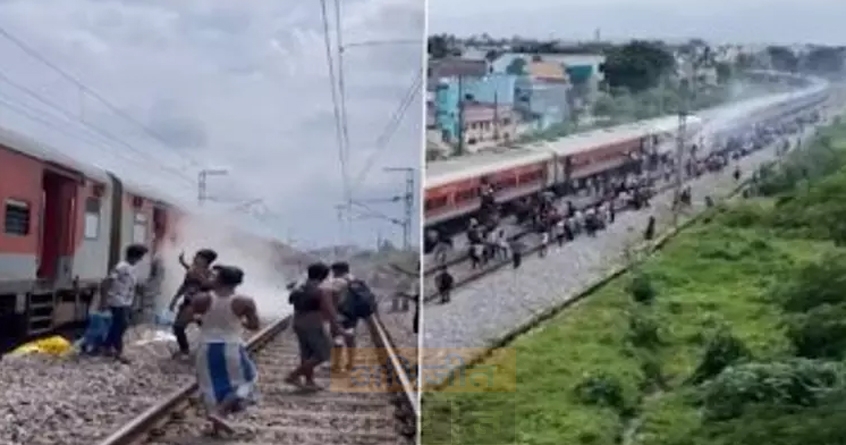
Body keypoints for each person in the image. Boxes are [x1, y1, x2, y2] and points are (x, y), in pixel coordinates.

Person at [191, 265, 260, 436]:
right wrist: (240, 322)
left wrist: (203, 321)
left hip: (206, 346)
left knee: (209, 386)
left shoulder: (201, 299)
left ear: (219, 279)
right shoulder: (245, 301)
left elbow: (190, 318)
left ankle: (216, 426)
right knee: (246, 381)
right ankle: (219, 413)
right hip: (231, 347)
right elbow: (254, 325)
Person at [286, 262, 344, 390]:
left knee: (306, 353)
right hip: (313, 323)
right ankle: (293, 375)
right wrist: (337, 325)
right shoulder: (322, 289)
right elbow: (328, 309)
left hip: (297, 321)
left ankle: (309, 381)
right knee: (325, 353)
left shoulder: (300, 286)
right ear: (324, 275)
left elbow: (290, 300)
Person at [100, 243, 149, 363]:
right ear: (135, 256)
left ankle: (107, 346)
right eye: (140, 256)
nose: (141, 260)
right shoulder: (121, 267)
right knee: (122, 325)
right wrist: (104, 300)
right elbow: (107, 282)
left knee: (119, 325)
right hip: (117, 301)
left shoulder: (131, 269)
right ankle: (118, 351)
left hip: (125, 302)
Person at [168, 249, 218, 359]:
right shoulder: (192, 271)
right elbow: (184, 286)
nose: (195, 258)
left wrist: (197, 274)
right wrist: (174, 299)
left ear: (206, 261)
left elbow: (211, 285)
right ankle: (185, 350)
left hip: (201, 306)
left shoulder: (211, 274)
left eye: (198, 257)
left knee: (183, 327)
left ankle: (192, 350)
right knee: (178, 327)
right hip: (188, 303)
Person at [328, 262, 359, 373]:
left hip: (339, 313)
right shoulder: (355, 280)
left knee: (337, 338)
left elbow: (331, 295)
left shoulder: (338, 281)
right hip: (352, 314)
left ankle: (336, 365)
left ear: (337, 270)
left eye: (333, 271)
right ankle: (351, 363)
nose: (332, 273)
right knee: (350, 338)